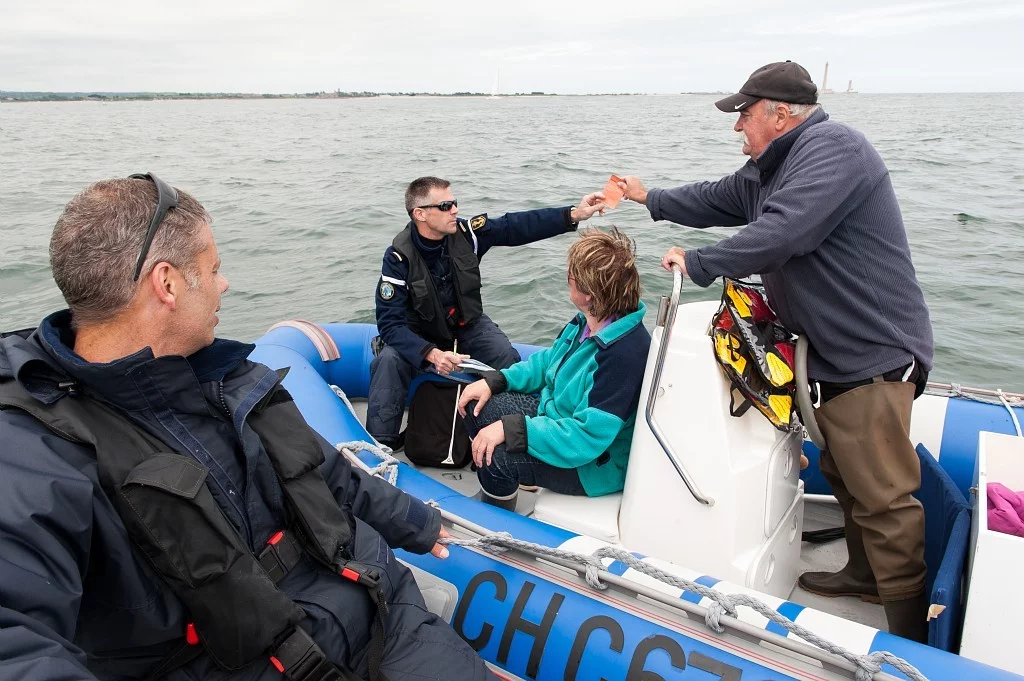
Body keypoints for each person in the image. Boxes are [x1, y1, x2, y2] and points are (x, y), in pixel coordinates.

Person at [0, 174, 497, 681]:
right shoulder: (32, 452)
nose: (225, 284)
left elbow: (327, 473)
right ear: (167, 284)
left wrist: (417, 523)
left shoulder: (231, 378)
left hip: (384, 615)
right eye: (213, 269)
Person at [617, 61, 934, 642]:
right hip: (831, 354)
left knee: (885, 501)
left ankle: (911, 642)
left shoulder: (835, 149)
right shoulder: (773, 167)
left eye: (744, 113)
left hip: (871, 353)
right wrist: (647, 197)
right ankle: (864, 576)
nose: (737, 126)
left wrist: (701, 262)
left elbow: (785, 233)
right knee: (845, 473)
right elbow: (717, 198)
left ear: (780, 114)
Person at [368, 176, 607, 451]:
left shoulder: (468, 234)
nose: (455, 210)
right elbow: (389, 324)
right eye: (445, 205)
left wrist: (573, 214)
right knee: (388, 362)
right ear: (420, 214)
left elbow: (514, 226)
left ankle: (517, 440)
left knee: (506, 357)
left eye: (454, 203)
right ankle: (378, 449)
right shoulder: (398, 258)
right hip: (419, 336)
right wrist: (431, 354)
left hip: (466, 325)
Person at [455, 227, 650, 511]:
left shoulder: (623, 355)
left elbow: (587, 436)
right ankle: (504, 487)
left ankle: (497, 517)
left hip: (590, 465)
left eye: (571, 276)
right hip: (555, 416)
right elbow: (550, 361)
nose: (567, 278)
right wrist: (497, 380)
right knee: (476, 403)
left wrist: (513, 430)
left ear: (589, 294)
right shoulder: (591, 318)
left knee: (497, 457)